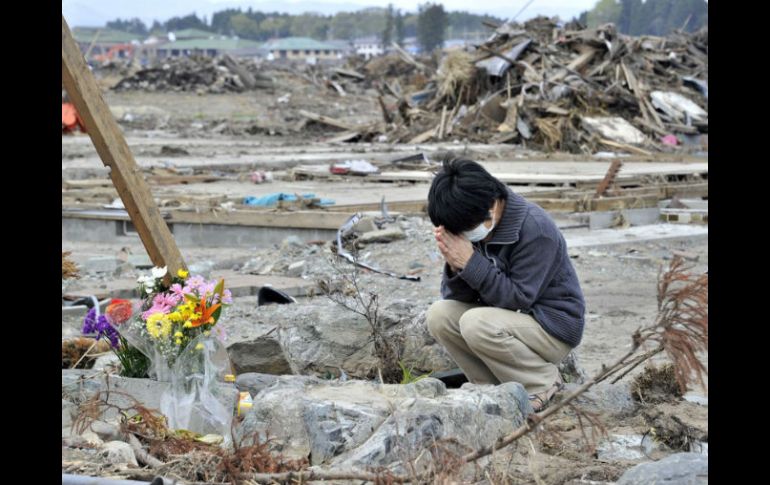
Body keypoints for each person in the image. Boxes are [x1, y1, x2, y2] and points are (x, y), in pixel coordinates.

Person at [426, 157, 585, 411]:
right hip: (511, 321)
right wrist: (456, 265)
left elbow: (517, 299)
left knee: (476, 322)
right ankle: (487, 386)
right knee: (439, 315)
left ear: (491, 207)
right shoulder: (473, 223)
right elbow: (456, 297)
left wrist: (471, 262)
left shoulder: (535, 229)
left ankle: (542, 382)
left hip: (551, 328)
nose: (467, 236)